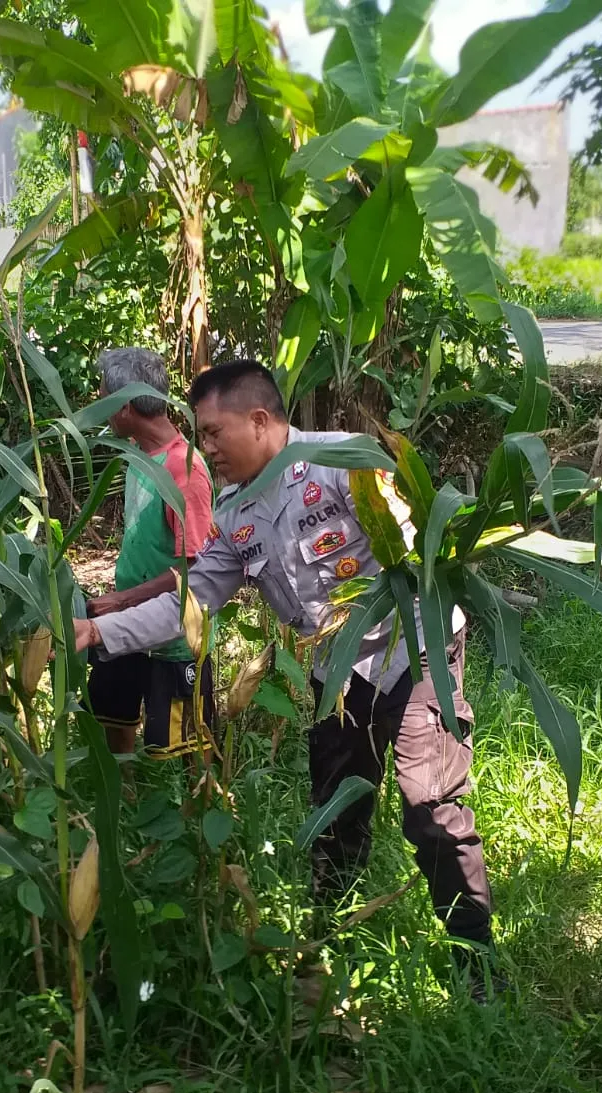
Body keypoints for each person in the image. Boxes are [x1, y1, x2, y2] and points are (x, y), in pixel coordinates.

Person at [75, 359, 500, 996]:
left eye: (214, 432)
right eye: (202, 435)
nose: (207, 448)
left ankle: (477, 966)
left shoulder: (345, 462)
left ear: (259, 420)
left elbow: (421, 551)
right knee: (335, 808)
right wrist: (98, 632)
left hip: (415, 653)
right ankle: (329, 944)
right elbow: (191, 604)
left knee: (431, 809)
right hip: (338, 673)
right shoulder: (234, 510)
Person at [84, 348, 218, 759]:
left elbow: (195, 567)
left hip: (173, 635)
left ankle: (197, 800)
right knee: (113, 721)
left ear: (124, 407)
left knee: (187, 745)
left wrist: (122, 600)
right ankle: (122, 796)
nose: (99, 407)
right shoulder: (138, 456)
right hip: (125, 625)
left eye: (103, 398)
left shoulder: (184, 470)